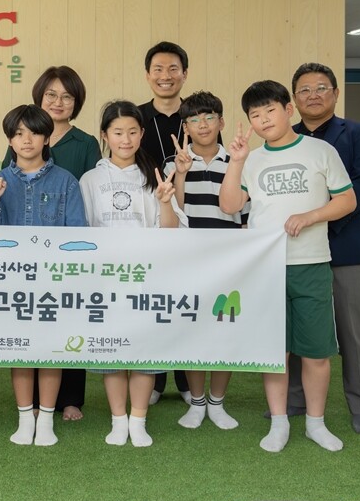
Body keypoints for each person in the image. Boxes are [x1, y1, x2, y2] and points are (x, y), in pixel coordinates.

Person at [220, 80, 356, 452]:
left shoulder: (320, 151)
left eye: (270, 110)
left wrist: (311, 216)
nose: (264, 120)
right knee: (274, 352)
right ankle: (278, 423)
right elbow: (230, 205)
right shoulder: (252, 159)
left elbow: (347, 200)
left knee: (316, 352)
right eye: (255, 115)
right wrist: (237, 161)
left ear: (288, 110)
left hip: (311, 263)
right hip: (266, 268)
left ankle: (316, 423)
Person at [0, 104, 87, 446]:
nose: (27, 140)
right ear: (10, 140)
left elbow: (78, 235)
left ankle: (47, 418)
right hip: (13, 282)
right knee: (21, 349)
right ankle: (26, 418)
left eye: (34, 133)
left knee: (52, 348)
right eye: (19, 133)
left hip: (53, 281)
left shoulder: (66, 181)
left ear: (47, 138)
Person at [80, 100, 184, 447]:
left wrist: (165, 201)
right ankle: (118, 420)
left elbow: (170, 231)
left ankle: (138, 420)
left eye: (132, 132)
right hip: (105, 279)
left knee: (143, 351)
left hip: (146, 278)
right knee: (111, 352)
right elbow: (84, 230)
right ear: (105, 135)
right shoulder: (91, 179)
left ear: (141, 134)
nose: (125, 140)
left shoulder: (153, 175)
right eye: (117, 132)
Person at [289, 62, 360, 434]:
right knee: (300, 328)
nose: (313, 95)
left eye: (321, 88)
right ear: (294, 99)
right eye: (304, 90)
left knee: (352, 331)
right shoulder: (285, 136)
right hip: (298, 248)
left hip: (348, 247)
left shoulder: (358, 133)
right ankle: (295, 400)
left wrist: (319, 219)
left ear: (335, 93)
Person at [1, 66, 100, 421]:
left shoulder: (85, 143)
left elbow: (91, 190)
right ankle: (30, 404)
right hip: (22, 259)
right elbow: (6, 188)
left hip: (64, 245)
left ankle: (70, 399)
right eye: (51, 95)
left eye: (67, 96)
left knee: (67, 324)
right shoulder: (22, 135)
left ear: (76, 102)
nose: (58, 102)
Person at [164, 91, 245, 431]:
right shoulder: (173, 164)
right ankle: (197, 402)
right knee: (193, 330)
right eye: (194, 119)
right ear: (185, 127)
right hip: (189, 262)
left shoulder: (238, 160)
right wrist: (181, 174)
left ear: (221, 122)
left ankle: (217, 402)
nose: (203, 125)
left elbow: (245, 216)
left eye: (209, 117)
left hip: (230, 262)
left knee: (225, 330)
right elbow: (176, 212)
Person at [138, 41, 196, 405]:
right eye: (158, 69)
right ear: (148, 75)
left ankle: (187, 381)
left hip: (192, 218)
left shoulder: (197, 115)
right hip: (150, 222)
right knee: (154, 301)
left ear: (184, 74)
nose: (165, 76)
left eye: (173, 69)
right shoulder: (137, 117)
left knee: (187, 299)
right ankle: (155, 380)